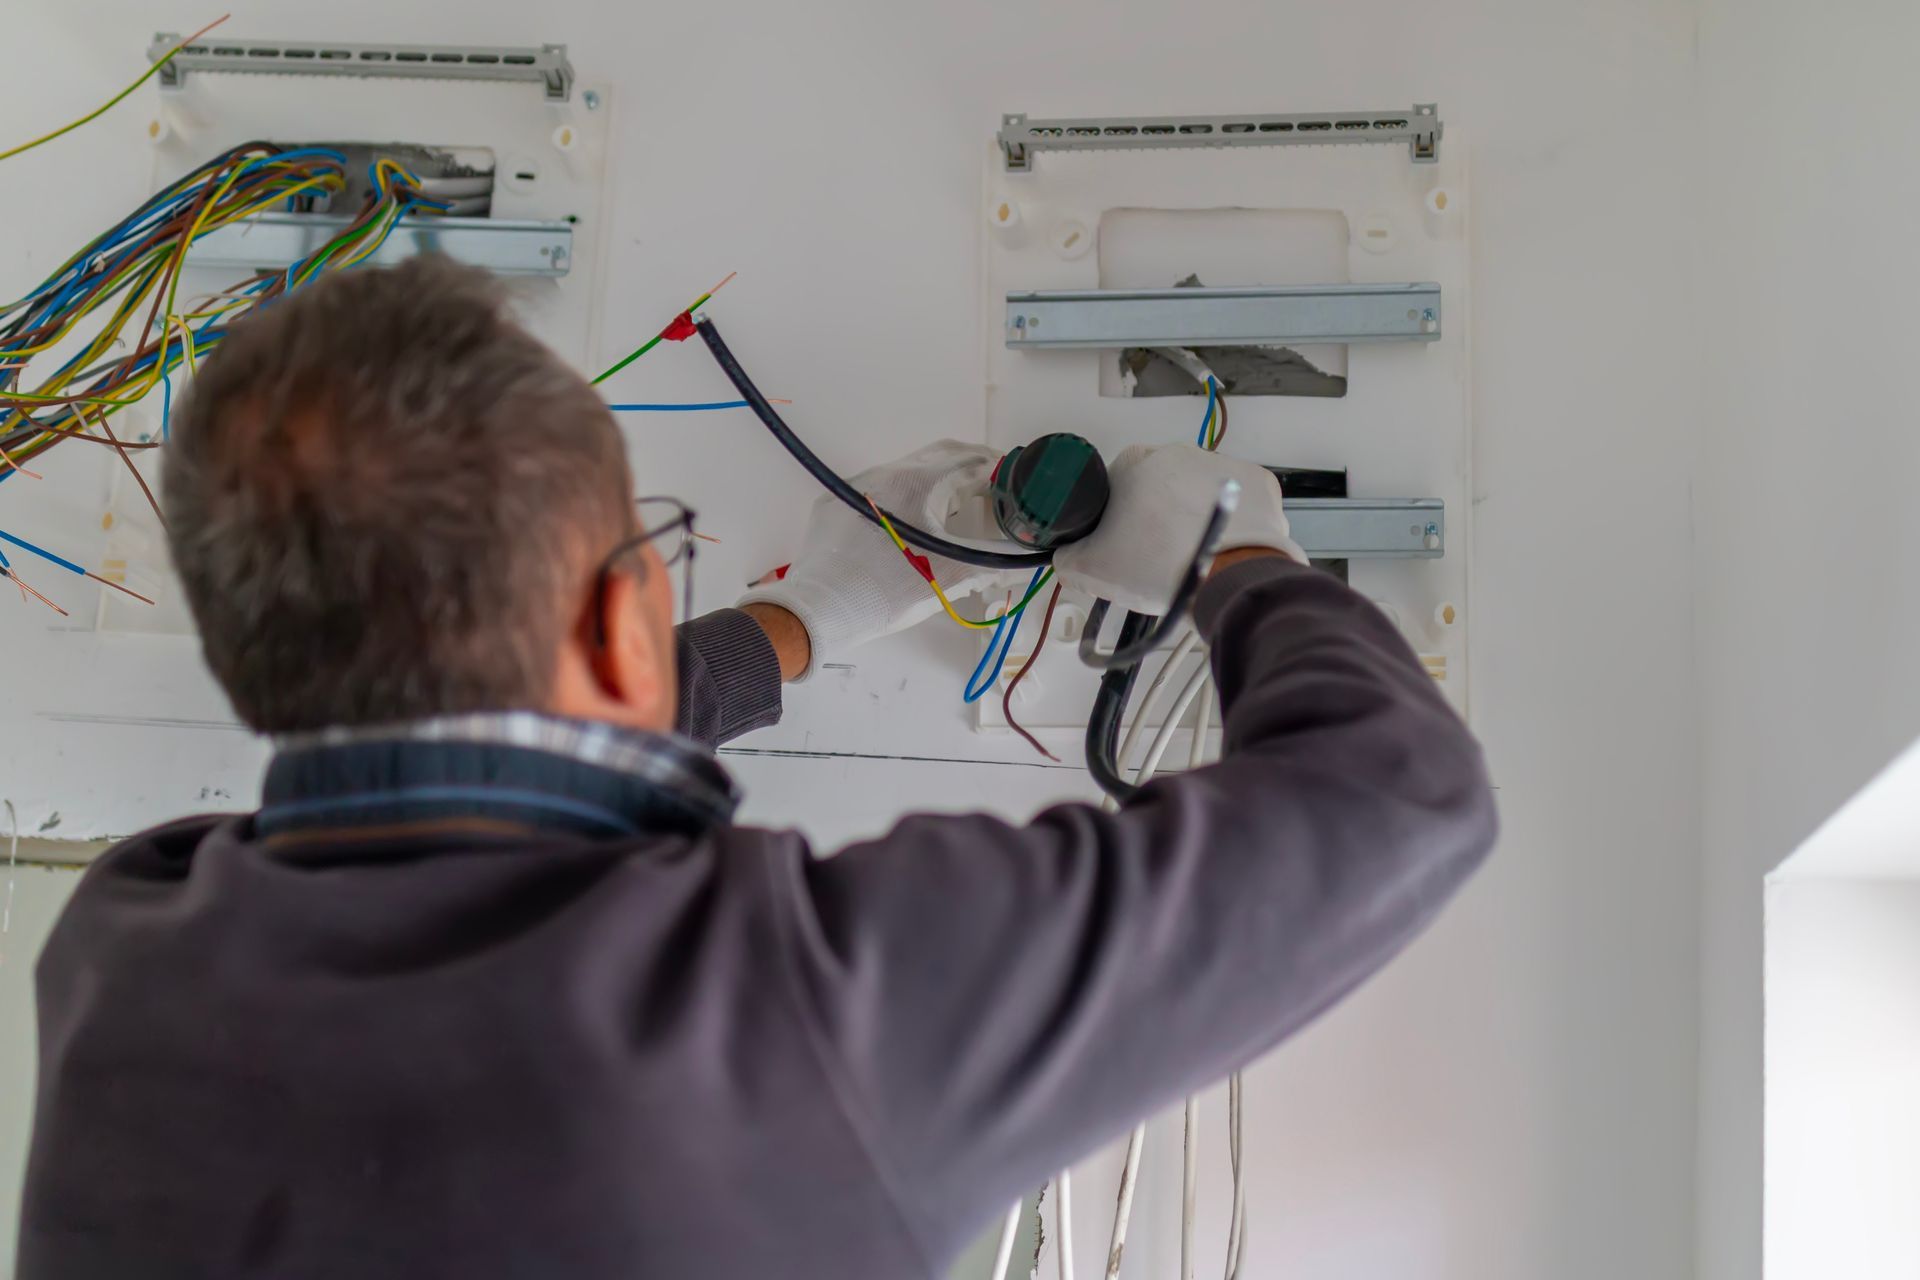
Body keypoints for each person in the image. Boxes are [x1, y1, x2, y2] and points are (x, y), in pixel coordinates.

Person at [16, 256, 1496, 1280]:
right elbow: (1398, 795)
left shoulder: (132, 951)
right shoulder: (804, 1004)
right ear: (623, 621)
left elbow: (458, 759)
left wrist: (814, 621)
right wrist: (1241, 557)